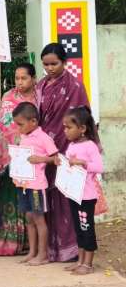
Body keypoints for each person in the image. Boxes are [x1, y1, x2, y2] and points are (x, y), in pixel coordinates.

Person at [36, 42, 90, 262]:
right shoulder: (40, 85)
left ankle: (71, 249)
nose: (50, 68)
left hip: (68, 149)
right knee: (46, 197)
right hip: (44, 148)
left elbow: (84, 118)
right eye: (46, 64)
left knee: (66, 196)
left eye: (54, 64)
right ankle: (49, 248)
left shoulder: (75, 86)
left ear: (64, 62)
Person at [0, 63, 37, 256]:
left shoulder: (40, 97)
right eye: (17, 78)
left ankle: (29, 243)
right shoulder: (8, 97)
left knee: (30, 199)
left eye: (24, 78)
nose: (20, 82)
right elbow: (1, 128)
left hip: (32, 155)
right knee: (8, 196)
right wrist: (0, 154)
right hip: (8, 156)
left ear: (33, 78)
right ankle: (5, 240)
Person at [57, 107, 103, 275]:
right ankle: (80, 261)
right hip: (74, 194)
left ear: (82, 128)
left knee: (86, 228)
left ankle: (88, 264)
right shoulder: (71, 146)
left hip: (86, 197)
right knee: (78, 228)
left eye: (69, 127)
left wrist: (83, 163)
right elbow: (70, 165)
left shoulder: (90, 146)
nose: (65, 130)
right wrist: (62, 162)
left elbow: (99, 167)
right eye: (64, 127)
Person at [12, 102, 59, 266]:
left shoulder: (43, 138)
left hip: (37, 187)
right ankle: (32, 252)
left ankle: (42, 254)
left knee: (39, 219)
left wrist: (41, 159)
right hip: (23, 185)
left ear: (33, 121)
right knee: (29, 218)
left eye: (20, 124)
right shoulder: (23, 136)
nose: (18, 128)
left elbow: (56, 158)